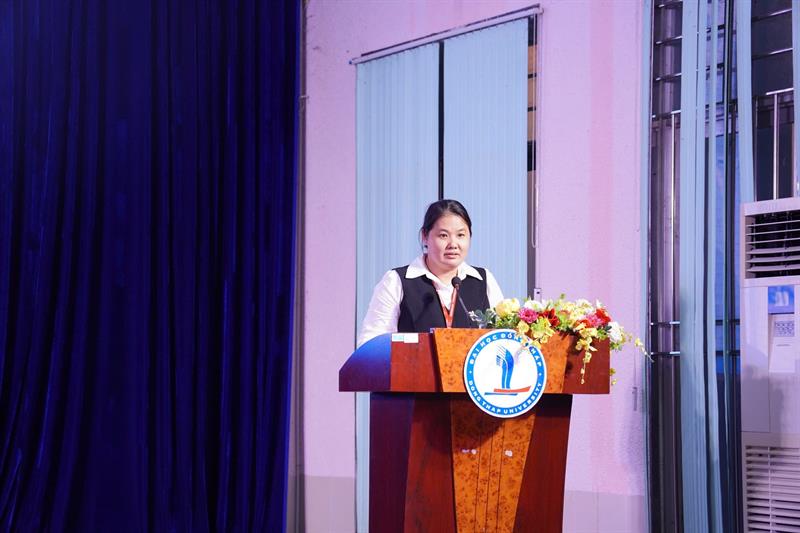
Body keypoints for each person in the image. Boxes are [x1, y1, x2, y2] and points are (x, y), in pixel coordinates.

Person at [357, 199, 504, 347]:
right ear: (425, 236)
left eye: (460, 235)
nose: (453, 244)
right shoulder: (396, 281)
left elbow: (504, 342)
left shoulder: (484, 280)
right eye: (443, 235)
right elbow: (370, 345)